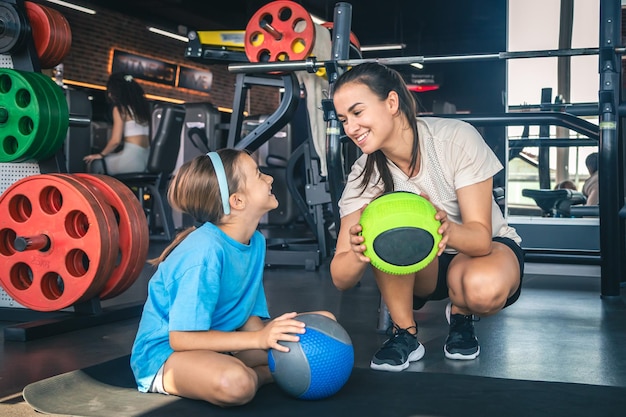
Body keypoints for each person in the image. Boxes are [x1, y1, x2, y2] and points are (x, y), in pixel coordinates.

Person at [330, 63, 524, 372]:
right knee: (390, 226)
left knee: (482, 290)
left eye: (357, 112)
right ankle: (405, 333)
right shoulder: (363, 175)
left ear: (391, 103)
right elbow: (341, 277)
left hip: (481, 250)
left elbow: (479, 238)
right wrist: (359, 248)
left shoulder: (455, 140)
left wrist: (443, 226)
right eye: (343, 119)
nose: (350, 128)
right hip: (423, 265)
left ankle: (461, 314)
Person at [130, 149, 335, 406]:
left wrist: (269, 336)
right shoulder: (204, 252)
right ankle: (264, 375)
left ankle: (254, 366)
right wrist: (260, 341)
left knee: (323, 325)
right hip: (167, 355)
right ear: (237, 201)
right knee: (238, 384)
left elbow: (248, 314)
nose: (270, 178)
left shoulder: (255, 242)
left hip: (222, 344)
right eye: (259, 175)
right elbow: (181, 338)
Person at [83, 73, 151, 174]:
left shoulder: (120, 109)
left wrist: (101, 154)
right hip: (145, 161)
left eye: (110, 91)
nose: (109, 95)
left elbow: (115, 140)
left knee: (93, 164)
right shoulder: (143, 110)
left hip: (131, 163)